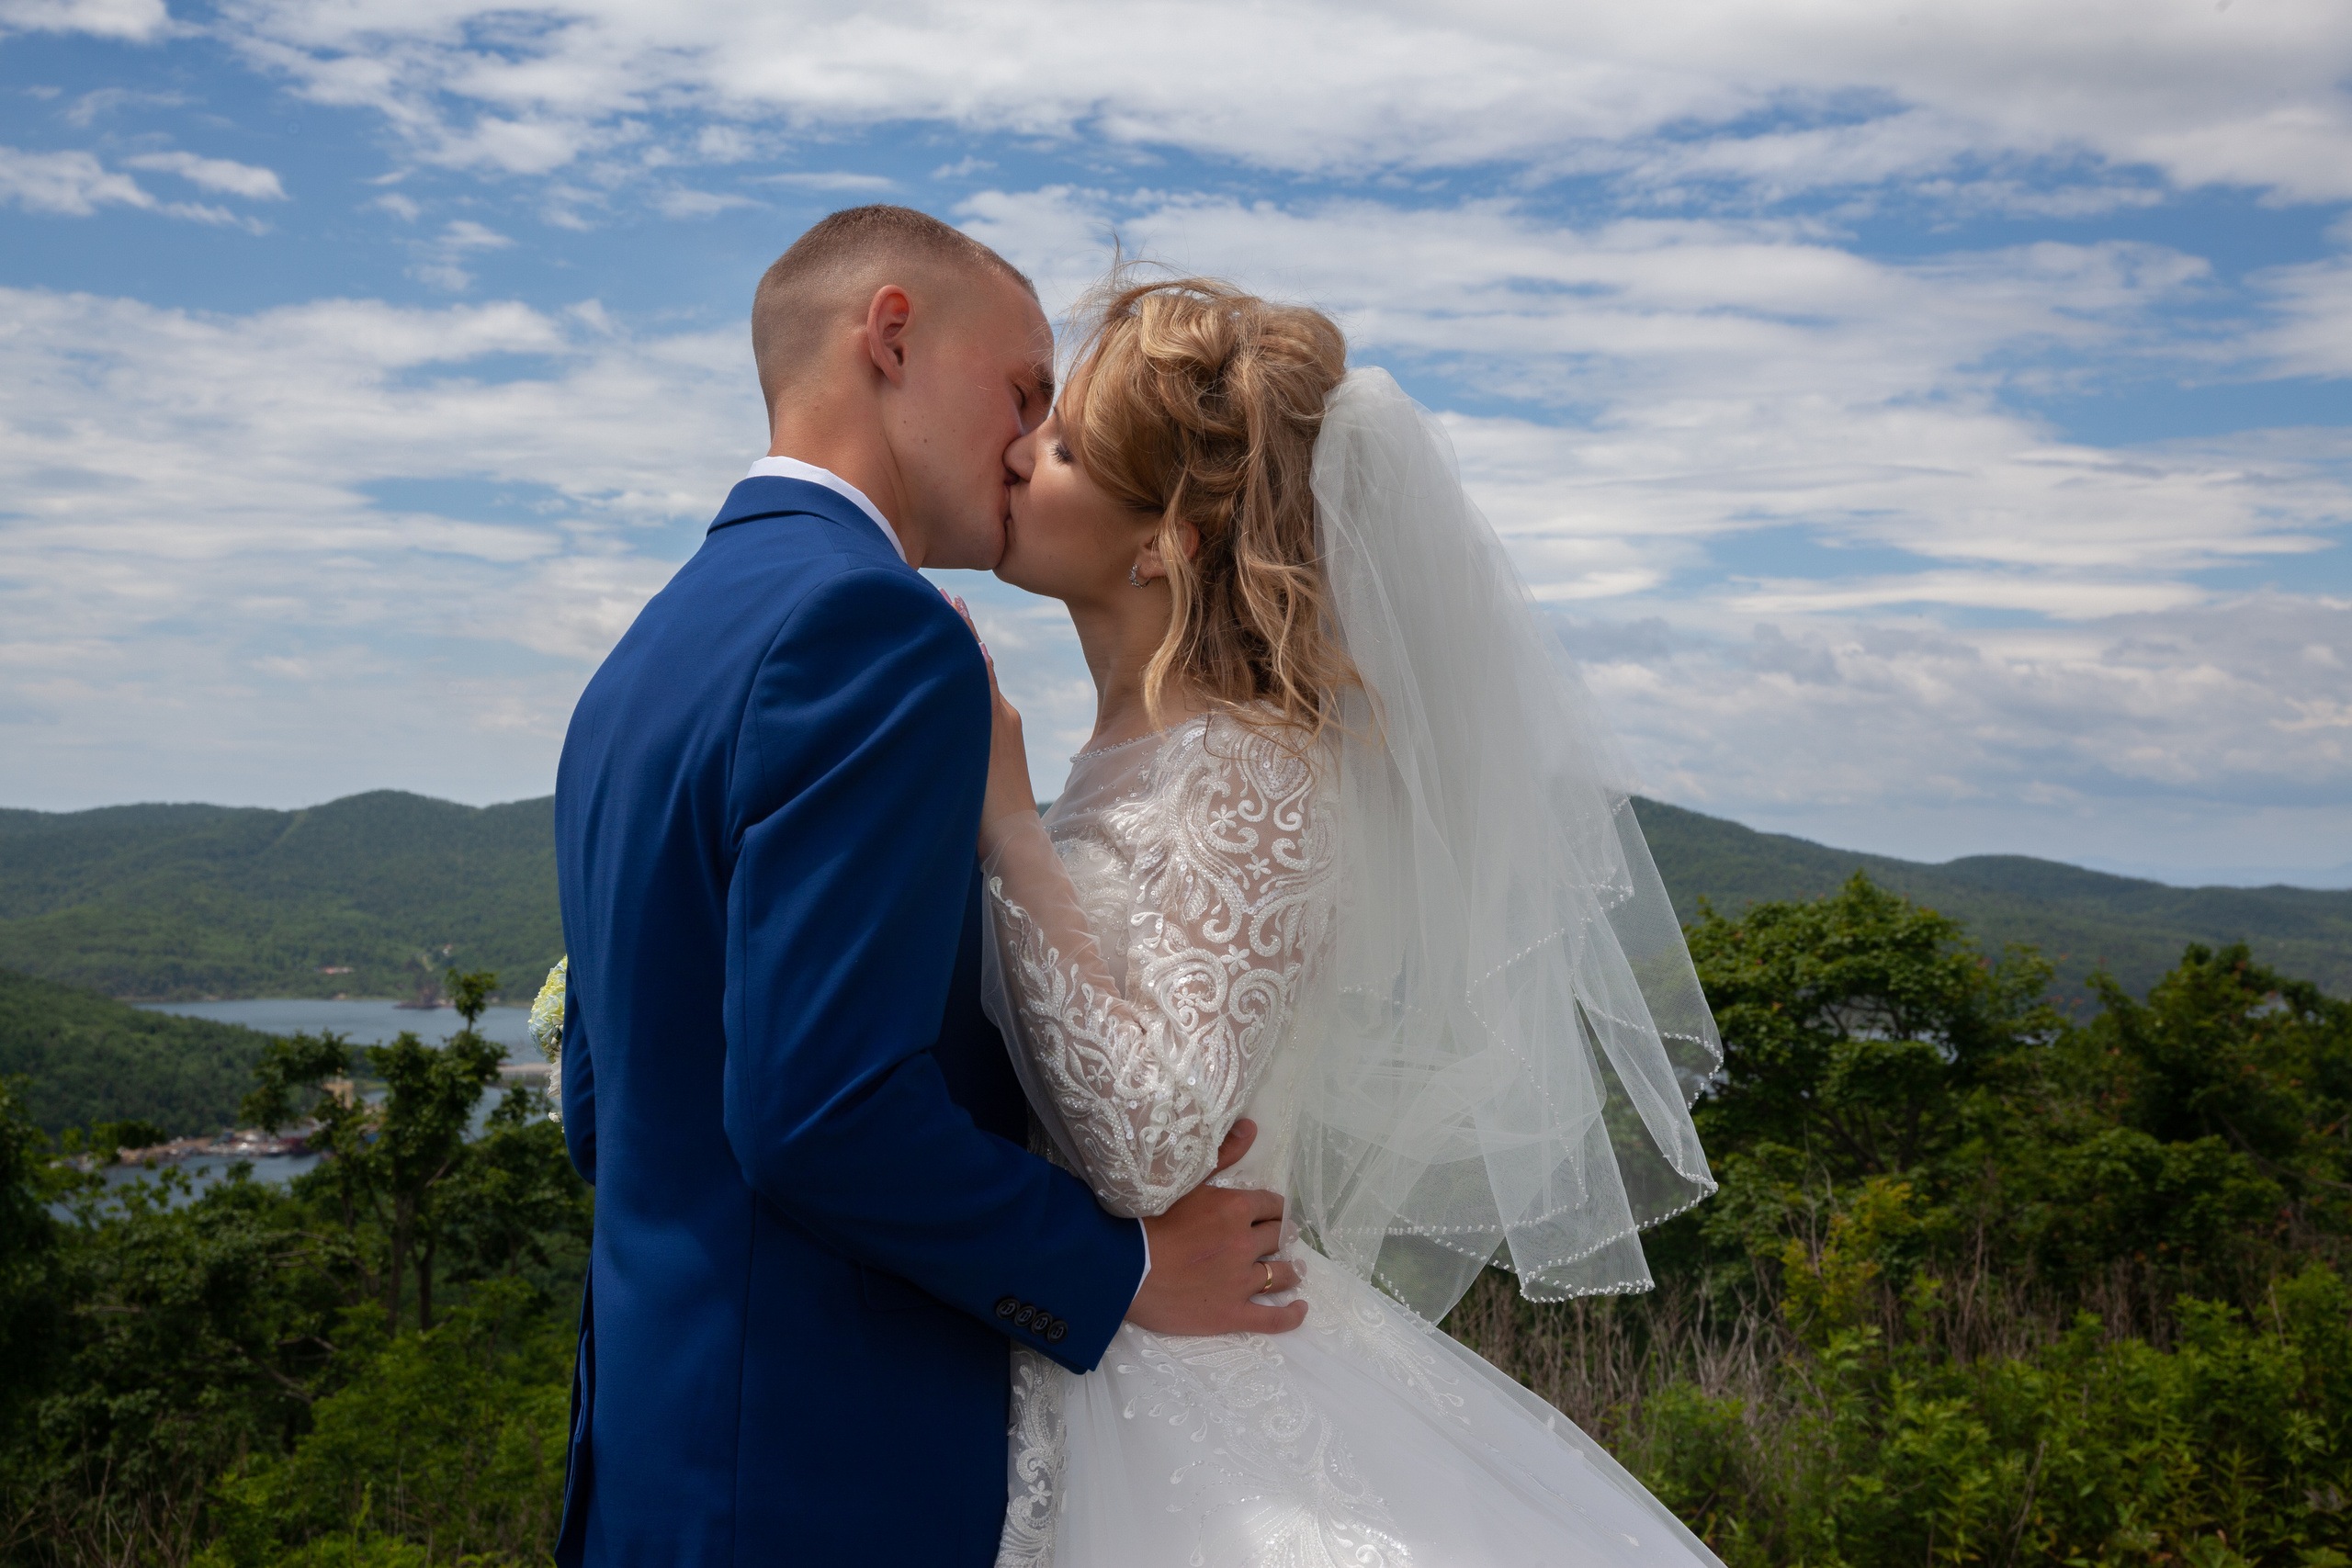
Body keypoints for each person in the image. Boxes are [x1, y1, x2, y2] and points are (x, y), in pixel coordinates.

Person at [549, 209, 1306, 1568]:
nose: (1026, 441)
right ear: (892, 339)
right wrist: (1124, 1269)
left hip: (656, 1458)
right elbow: (818, 1113)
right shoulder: (874, 630)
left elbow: (605, 1113)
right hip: (823, 1472)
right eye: (1023, 389)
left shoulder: (648, 652)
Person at [972, 273, 1731, 1566]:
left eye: (1065, 449)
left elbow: (1153, 1147)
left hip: (1181, 1392)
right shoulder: (1126, 756)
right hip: (1089, 1355)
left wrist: (1007, 832)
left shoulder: (1251, 769)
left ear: (1166, 542)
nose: (1015, 450)